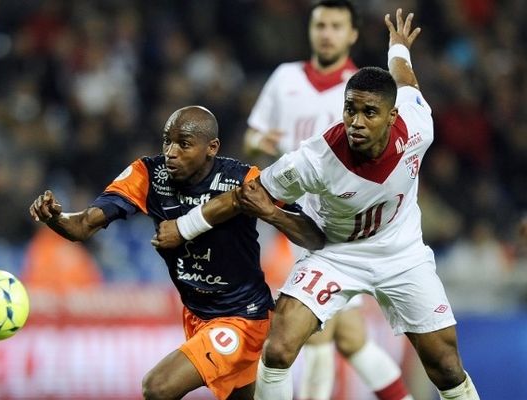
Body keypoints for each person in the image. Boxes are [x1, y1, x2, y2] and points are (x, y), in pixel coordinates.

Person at [155, 9, 480, 400]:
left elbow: (404, 78)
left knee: (445, 366)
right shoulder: (315, 160)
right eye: (350, 110)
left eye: (369, 113)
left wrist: (399, 45)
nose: (355, 122)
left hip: (402, 251)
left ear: (393, 116)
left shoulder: (418, 124)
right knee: (278, 347)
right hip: (335, 252)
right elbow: (248, 195)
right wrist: (186, 226)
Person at [28, 105, 325, 400]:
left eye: (183, 144)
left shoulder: (243, 179)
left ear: (212, 148)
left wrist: (271, 214)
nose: (171, 152)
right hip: (196, 315)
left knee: (158, 387)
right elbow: (83, 226)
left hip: (244, 318)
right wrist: (55, 217)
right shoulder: (148, 174)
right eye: (167, 141)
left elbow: (312, 235)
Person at [246, 1, 412, 399]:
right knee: (350, 337)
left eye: (337, 26)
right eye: (321, 24)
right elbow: (252, 139)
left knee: (316, 334)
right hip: (289, 220)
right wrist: (264, 144)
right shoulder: (284, 78)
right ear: (310, 29)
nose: (326, 33)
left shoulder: (364, 89)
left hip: (342, 225)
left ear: (352, 34)